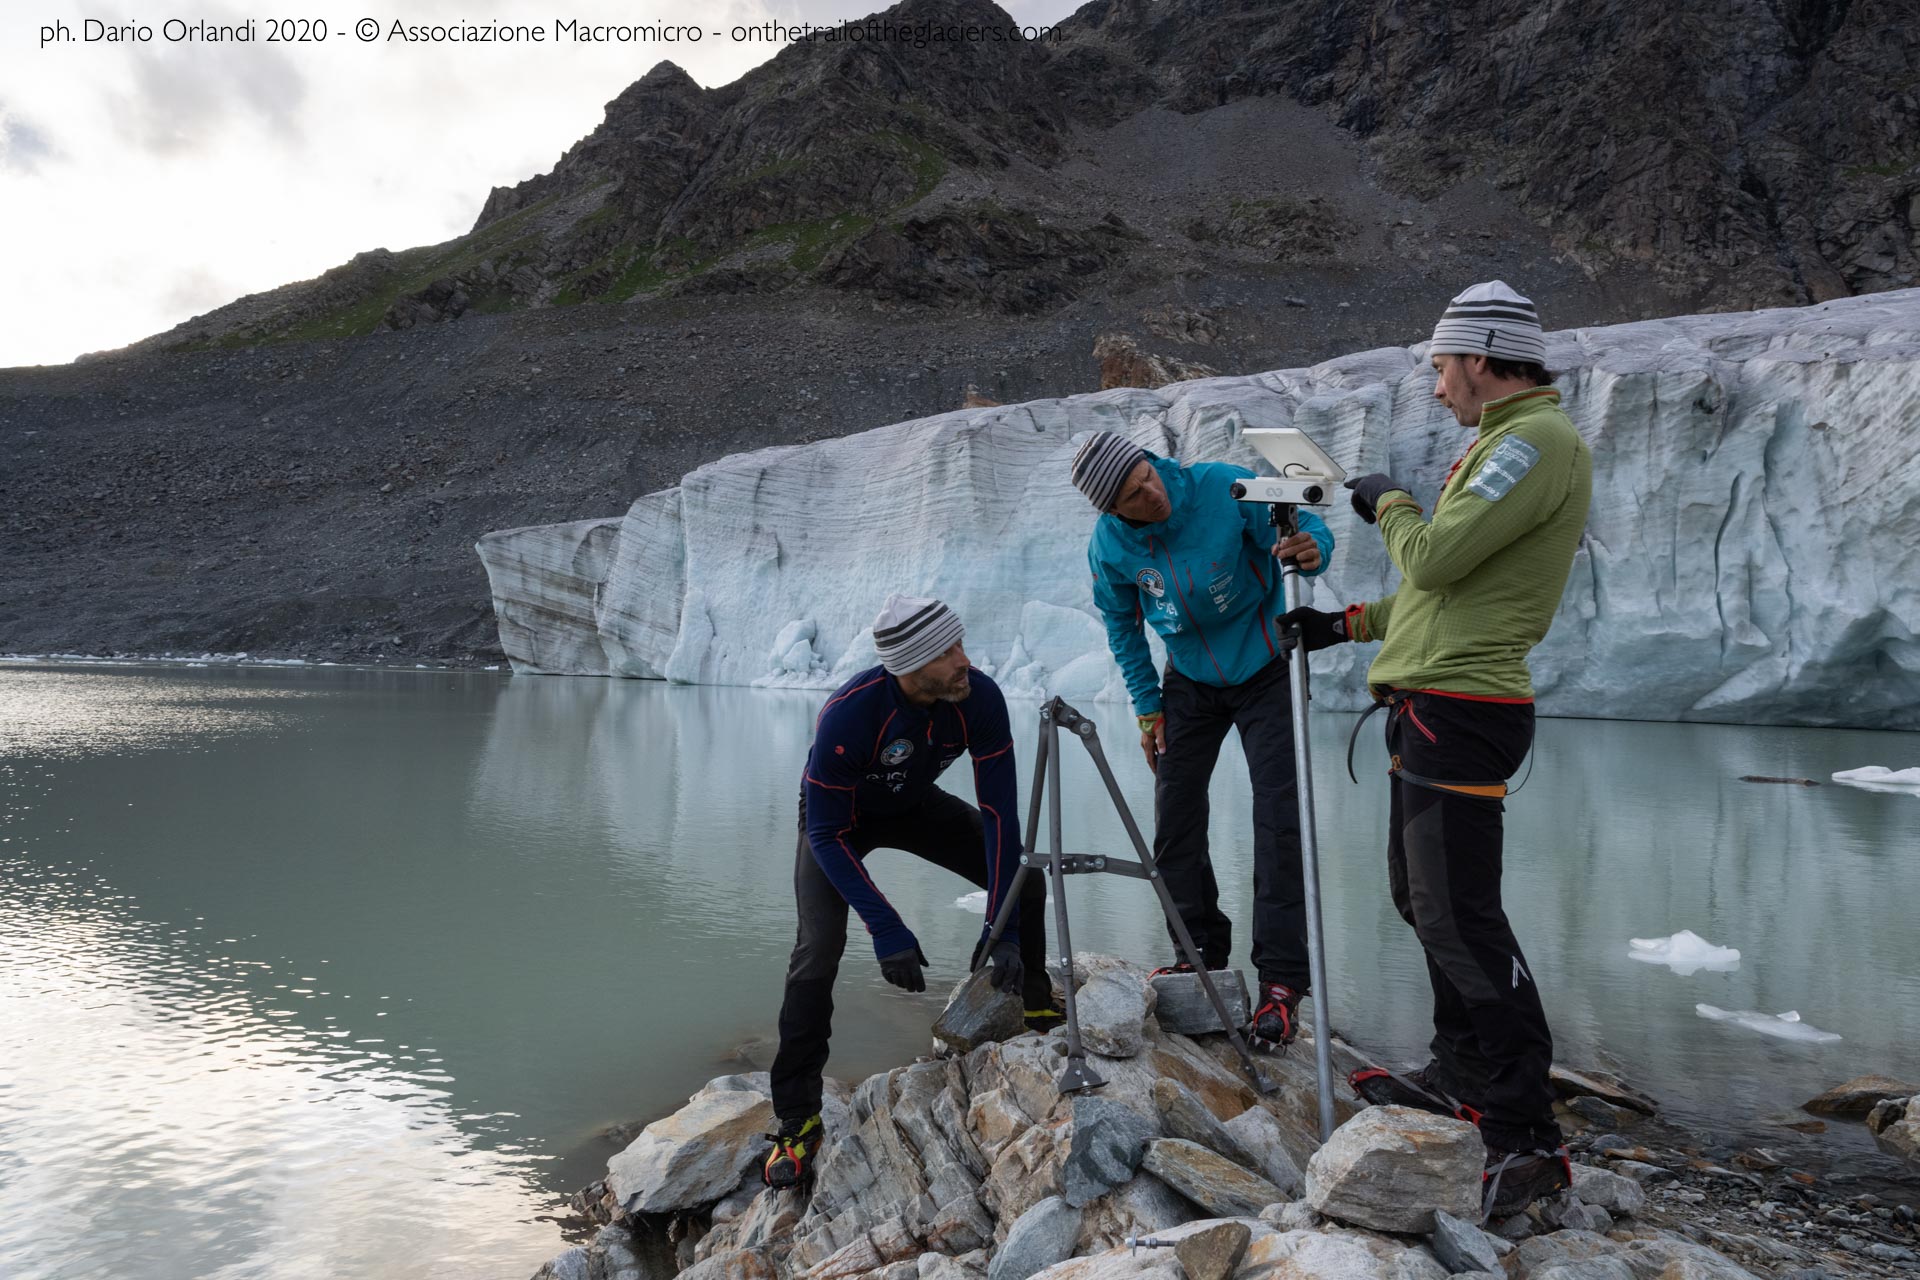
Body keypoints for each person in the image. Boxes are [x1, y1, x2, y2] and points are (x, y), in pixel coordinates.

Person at [1278, 280, 1593, 1217]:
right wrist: (1346, 624)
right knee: (1422, 902)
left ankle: (1526, 1133)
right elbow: (1440, 596)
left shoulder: (1534, 442)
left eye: (1444, 365)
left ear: (1486, 356)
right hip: (1434, 702)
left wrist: (1387, 502)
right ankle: (1461, 1076)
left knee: (1460, 915)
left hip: (1465, 708)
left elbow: (1435, 558)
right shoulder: (1502, 445)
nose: (1437, 382)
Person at [761, 594, 1052, 1189]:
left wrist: (1003, 928)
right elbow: (823, 831)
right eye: (948, 652)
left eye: (961, 643)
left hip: (915, 806)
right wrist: (887, 929)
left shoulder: (979, 697)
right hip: (838, 823)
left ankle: (1037, 1001)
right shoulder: (851, 713)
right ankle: (796, 1118)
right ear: (911, 664)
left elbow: (1001, 816)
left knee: (1028, 882)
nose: (964, 660)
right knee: (815, 954)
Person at [1071, 431, 1334, 1050]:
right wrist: (1145, 708)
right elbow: (1122, 624)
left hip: (1267, 661)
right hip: (1187, 676)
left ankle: (1282, 983)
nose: (1151, 493)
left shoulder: (1219, 485)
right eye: (1133, 495)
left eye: (1148, 476)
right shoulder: (1109, 546)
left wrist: (1310, 548)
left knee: (1278, 816)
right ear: (1111, 508)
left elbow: (1302, 523)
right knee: (1177, 815)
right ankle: (1197, 955)